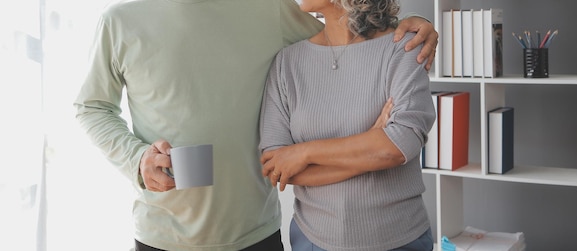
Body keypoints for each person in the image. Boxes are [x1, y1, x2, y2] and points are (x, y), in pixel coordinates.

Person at [73, 0, 438, 250]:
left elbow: (350, 28)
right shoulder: (120, 19)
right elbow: (91, 106)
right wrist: (137, 159)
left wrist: (416, 27)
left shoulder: (269, 7)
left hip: (255, 235)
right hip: (163, 234)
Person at [258, 0, 436, 250]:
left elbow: (400, 144)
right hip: (312, 240)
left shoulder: (403, 47)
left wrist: (304, 152)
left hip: (398, 239)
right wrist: (372, 144)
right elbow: (278, 166)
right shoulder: (287, 62)